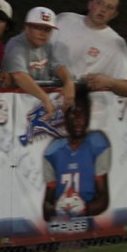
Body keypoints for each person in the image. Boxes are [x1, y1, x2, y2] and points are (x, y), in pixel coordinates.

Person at [42, 85, 110, 222]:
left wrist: (83, 209)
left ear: (88, 116)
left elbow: (103, 199)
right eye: (73, 113)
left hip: (91, 226)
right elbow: (46, 207)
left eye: (82, 114)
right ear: (65, 117)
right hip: (61, 227)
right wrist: (57, 209)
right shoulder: (52, 152)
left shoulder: (98, 144)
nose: (78, 119)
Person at [53, 0, 127, 98]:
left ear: (114, 15)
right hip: (41, 91)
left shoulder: (117, 44)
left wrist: (109, 82)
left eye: (110, 8)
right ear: (90, 4)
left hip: (79, 99)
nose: (103, 10)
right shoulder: (64, 20)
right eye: (100, 3)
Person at [2, 6, 76, 117]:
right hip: (14, 109)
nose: (43, 34)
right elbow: (19, 75)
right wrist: (45, 99)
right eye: (38, 28)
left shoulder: (47, 45)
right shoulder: (16, 45)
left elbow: (57, 66)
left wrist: (68, 82)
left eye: (47, 30)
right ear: (27, 28)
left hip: (34, 105)